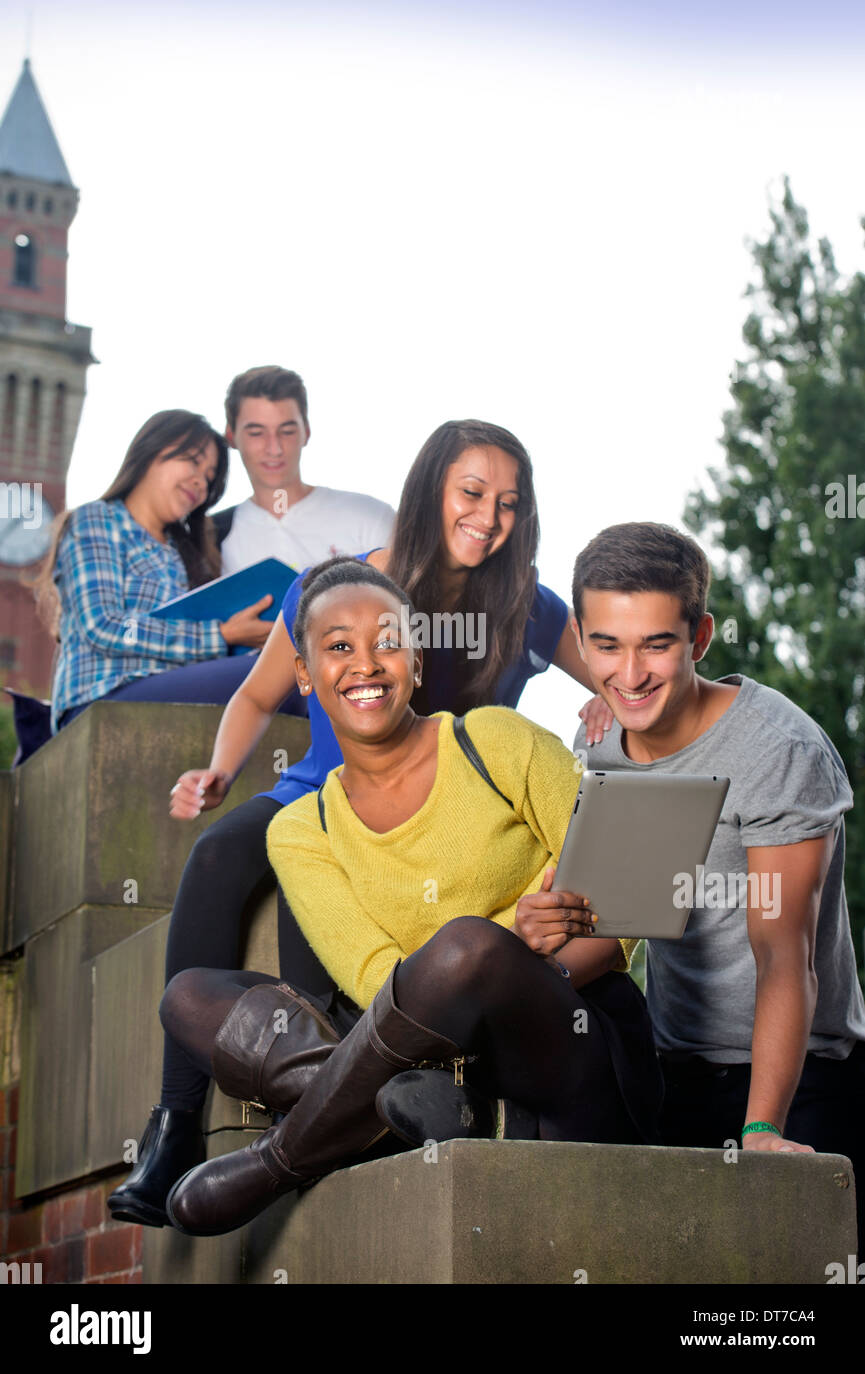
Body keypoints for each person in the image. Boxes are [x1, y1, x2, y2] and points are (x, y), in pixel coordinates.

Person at [107, 418, 613, 1228]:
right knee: (220, 863)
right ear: (431, 491)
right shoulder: (349, 581)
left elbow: (622, 672)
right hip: (322, 791)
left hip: (454, 807)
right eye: (471, 493)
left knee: (394, 931)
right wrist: (219, 772)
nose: (487, 516)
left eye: (509, 503)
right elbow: (256, 692)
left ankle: (315, 1130)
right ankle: (175, 1127)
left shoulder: (527, 606)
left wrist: (604, 698)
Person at [159, 557, 662, 1236]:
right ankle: (422, 1106)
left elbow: (630, 895)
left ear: (416, 663)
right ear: (304, 673)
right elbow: (375, 982)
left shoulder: (494, 741)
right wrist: (518, 922)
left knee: (466, 944)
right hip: (421, 1053)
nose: (364, 664)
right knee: (187, 997)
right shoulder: (303, 829)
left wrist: (514, 957)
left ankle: (284, 1156)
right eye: (338, 647)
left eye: (387, 643)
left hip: (562, 1034)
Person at [570, 521, 865, 1254]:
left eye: (655, 644)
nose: (629, 673)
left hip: (801, 1079)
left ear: (699, 637)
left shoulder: (779, 750)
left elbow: (781, 952)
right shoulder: (602, 746)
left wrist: (762, 1128)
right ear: (579, 640)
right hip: (672, 1069)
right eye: (606, 645)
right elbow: (615, 924)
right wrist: (546, 933)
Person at [38, 409, 302, 734]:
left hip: (164, 687)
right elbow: (101, 626)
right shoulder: (97, 521)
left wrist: (248, 637)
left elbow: (185, 647)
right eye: (193, 461)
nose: (200, 482)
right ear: (151, 452)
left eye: (208, 477)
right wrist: (221, 635)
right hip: (100, 695)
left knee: (297, 668)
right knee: (289, 677)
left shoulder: (181, 556)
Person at [211, 365, 396, 573]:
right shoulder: (211, 538)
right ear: (231, 436)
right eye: (256, 433)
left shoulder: (371, 517)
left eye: (287, 431)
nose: (274, 448)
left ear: (306, 432)